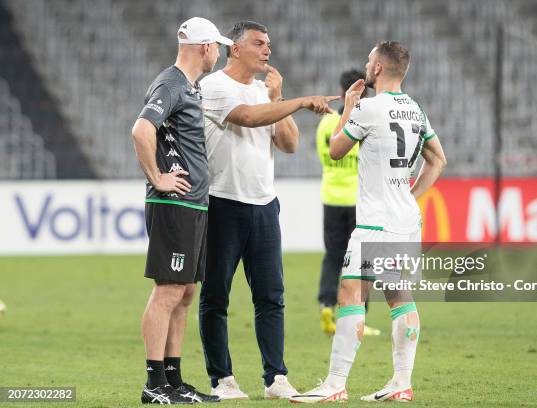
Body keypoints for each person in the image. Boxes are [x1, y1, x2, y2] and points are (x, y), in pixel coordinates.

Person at [291, 41, 447, 403]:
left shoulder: (370, 108)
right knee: (399, 296)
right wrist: (411, 194)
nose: (365, 63)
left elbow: (336, 149)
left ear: (377, 69)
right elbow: (438, 160)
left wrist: (347, 107)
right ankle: (401, 383)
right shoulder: (415, 110)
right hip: (406, 219)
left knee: (348, 293)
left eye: (368, 59)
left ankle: (334, 385)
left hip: (375, 222)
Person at [198, 21, 339, 400]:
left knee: (271, 295)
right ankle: (222, 380)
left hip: (263, 205)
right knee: (216, 295)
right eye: (259, 43)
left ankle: (275, 378)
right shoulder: (214, 86)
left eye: (269, 44)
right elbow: (246, 117)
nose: (267, 50)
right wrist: (298, 101)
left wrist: (280, 98)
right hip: (222, 202)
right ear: (236, 49)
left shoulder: (266, 91)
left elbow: (289, 143)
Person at [131, 17, 232, 404]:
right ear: (205, 47)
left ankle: (172, 381)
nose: (219, 53)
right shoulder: (171, 83)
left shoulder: (188, 87)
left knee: (185, 291)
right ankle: (153, 384)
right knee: (169, 291)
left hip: (192, 204)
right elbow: (142, 130)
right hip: (173, 204)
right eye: (217, 47)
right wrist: (158, 177)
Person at [316, 69, 380, 337]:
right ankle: (359, 317)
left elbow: (325, 156)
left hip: (332, 197)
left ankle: (326, 305)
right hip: (359, 200)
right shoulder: (365, 120)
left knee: (333, 256)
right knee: (362, 259)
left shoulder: (327, 123)